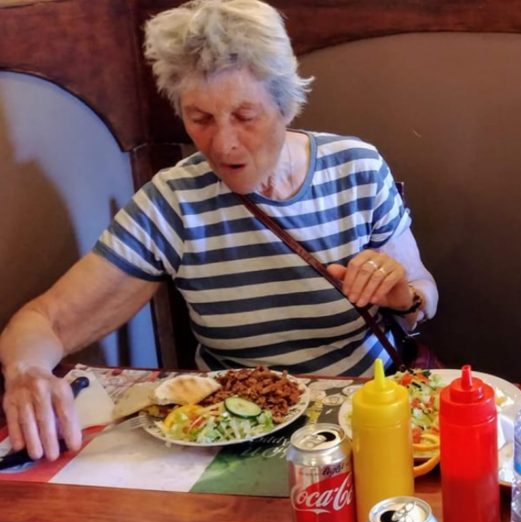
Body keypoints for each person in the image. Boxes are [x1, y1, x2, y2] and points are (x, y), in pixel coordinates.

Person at [0, 0, 437, 461]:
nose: (223, 144)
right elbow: (44, 320)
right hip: (236, 433)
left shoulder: (356, 168)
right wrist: (27, 371)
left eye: (245, 116)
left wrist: (402, 297)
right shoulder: (175, 201)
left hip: (367, 411)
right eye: (201, 119)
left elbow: (423, 293)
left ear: (285, 106)